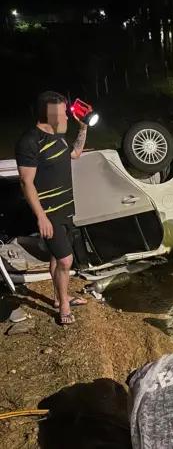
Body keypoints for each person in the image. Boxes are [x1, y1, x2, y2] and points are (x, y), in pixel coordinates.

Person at [15, 91, 90, 325]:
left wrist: (83, 129)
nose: (67, 116)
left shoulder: (58, 137)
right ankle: (63, 308)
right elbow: (26, 182)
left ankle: (61, 298)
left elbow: (75, 154)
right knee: (66, 260)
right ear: (49, 114)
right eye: (63, 113)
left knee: (57, 258)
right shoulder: (29, 142)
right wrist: (41, 217)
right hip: (48, 212)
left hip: (66, 207)